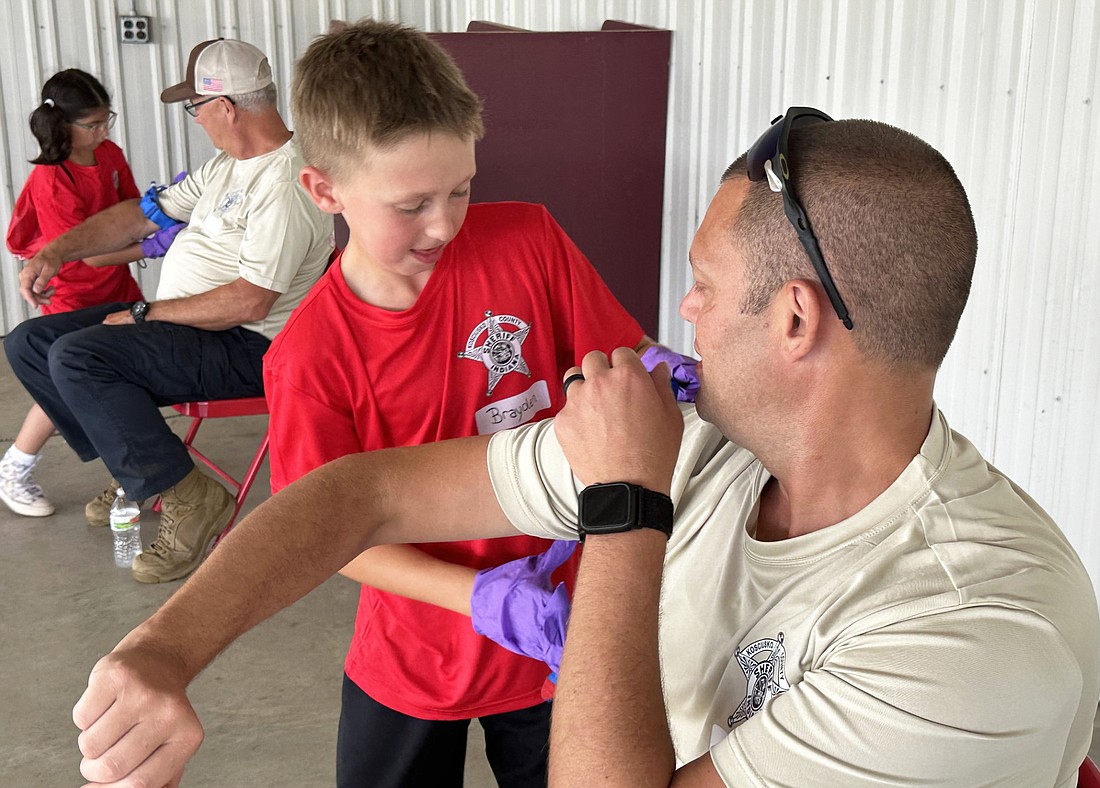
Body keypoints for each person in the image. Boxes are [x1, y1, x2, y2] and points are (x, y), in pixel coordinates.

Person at [72, 112, 1099, 787]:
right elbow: (365, 491)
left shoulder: (975, 634)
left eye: (699, 281)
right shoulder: (711, 447)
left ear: (793, 322)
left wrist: (620, 508)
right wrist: (166, 645)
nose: (680, 310)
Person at [266, 20, 686, 787]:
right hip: (419, 653)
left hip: (563, 636)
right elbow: (331, 535)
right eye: (410, 203)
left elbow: (609, 362)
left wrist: (651, 369)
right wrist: (483, 598)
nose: (444, 223)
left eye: (461, 189)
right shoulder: (310, 357)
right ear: (325, 189)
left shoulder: (528, 239)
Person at [4, 38, 333, 583]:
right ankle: (136, 467)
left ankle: (188, 496)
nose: (197, 119)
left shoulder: (285, 183)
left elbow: (251, 299)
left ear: (225, 106)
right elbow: (142, 215)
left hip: (246, 344)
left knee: (80, 358)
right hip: (190, 325)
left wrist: (144, 314)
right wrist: (55, 251)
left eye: (196, 107)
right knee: (29, 343)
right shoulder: (229, 167)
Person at [0, 69, 181, 518]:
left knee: (111, 380)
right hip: (74, 293)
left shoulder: (109, 153)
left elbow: (133, 209)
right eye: (93, 124)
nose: (104, 132)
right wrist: (152, 244)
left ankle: (130, 472)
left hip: (119, 285)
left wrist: (163, 217)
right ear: (62, 125)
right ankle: (14, 468)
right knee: (67, 381)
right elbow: (88, 256)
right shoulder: (52, 180)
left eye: (107, 120)